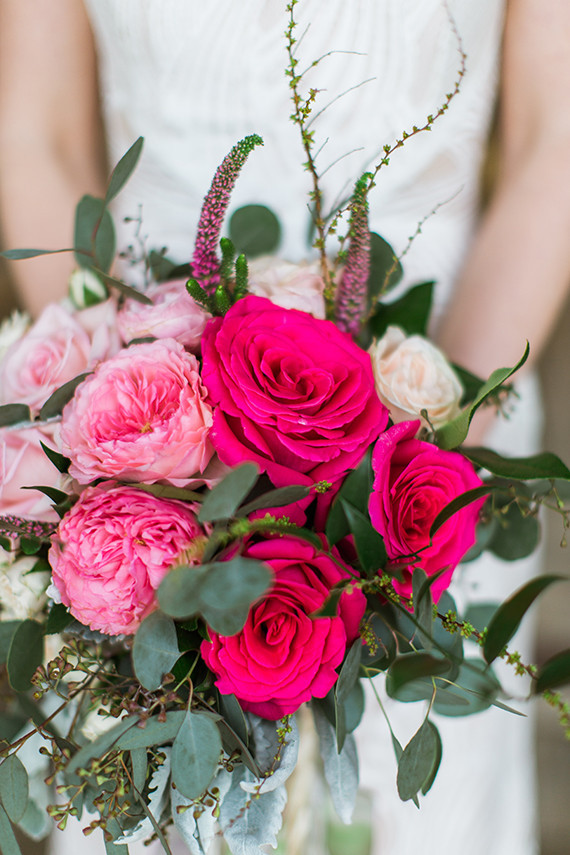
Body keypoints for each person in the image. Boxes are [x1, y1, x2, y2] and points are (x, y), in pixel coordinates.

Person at [0, 1, 569, 853]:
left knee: (422, 807)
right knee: (163, 793)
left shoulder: (436, 441)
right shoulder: (131, 451)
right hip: (146, 407)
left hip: (444, 403)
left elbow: (548, 148)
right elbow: (36, 129)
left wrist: (420, 457)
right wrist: (119, 436)